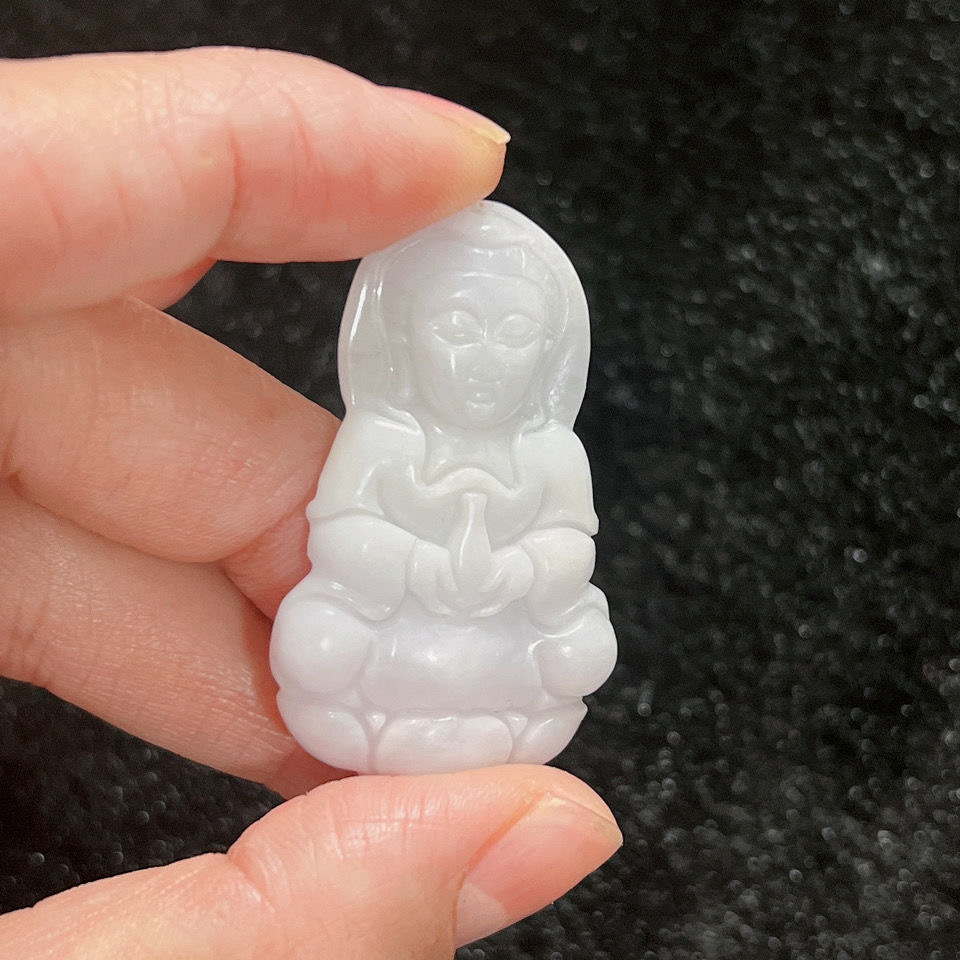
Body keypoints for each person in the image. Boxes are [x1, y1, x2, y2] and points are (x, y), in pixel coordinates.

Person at [0, 46, 621, 958]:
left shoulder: (548, 452)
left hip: (498, 643)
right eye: (455, 327)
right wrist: (420, 565)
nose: (485, 359)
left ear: (551, 350)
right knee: (318, 635)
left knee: (583, 638)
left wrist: (519, 570)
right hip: (395, 644)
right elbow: (347, 543)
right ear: (402, 340)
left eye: (515, 332)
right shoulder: (384, 438)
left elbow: (570, 552)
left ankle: (467, 710)